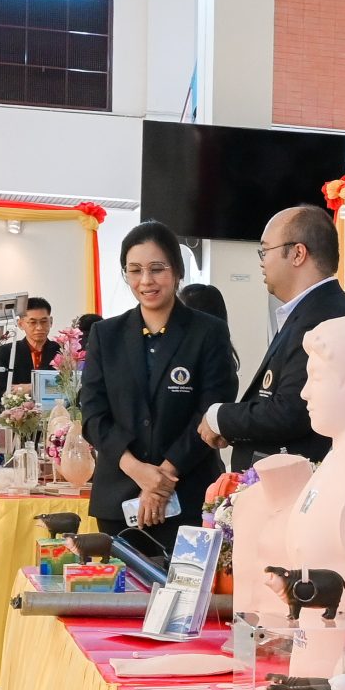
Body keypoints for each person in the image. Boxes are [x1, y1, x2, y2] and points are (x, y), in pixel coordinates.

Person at [80, 222, 238, 546]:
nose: (146, 280)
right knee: (121, 580)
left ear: (177, 270)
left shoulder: (207, 332)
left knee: (186, 580)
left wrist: (162, 478)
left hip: (190, 496)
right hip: (119, 498)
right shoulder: (106, 335)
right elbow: (93, 415)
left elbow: (211, 411)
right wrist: (138, 470)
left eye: (156, 269)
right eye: (135, 270)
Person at [198, 205, 345, 470]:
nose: (262, 261)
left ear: (297, 253)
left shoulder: (321, 316)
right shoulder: (309, 310)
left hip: (295, 480)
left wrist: (219, 417)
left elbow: (291, 410)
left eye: (265, 250)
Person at [0, 297, 61, 385]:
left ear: (51, 322)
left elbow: (69, 385)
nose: (39, 327)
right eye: (33, 322)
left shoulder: (61, 351)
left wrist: (30, 388)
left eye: (44, 321)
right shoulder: (7, 352)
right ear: (20, 324)